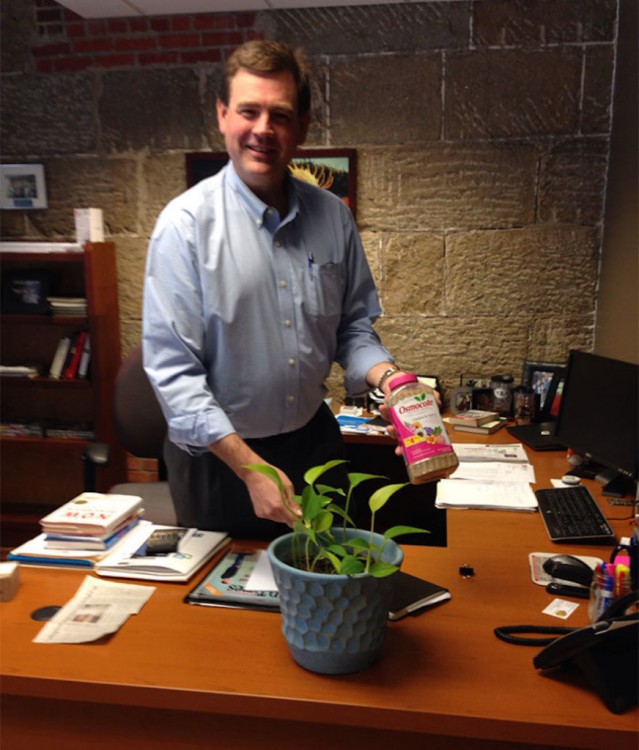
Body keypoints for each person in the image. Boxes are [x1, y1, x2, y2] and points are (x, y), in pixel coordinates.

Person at [143, 40, 405, 539]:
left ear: (302, 126)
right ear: (223, 116)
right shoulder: (184, 226)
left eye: (280, 114)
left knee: (325, 587)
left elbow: (351, 329)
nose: (263, 129)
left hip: (313, 445)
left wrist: (392, 381)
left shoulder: (333, 217)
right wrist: (251, 470)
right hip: (222, 462)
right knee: (231, 606)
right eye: (248, 110)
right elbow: (174, 375)